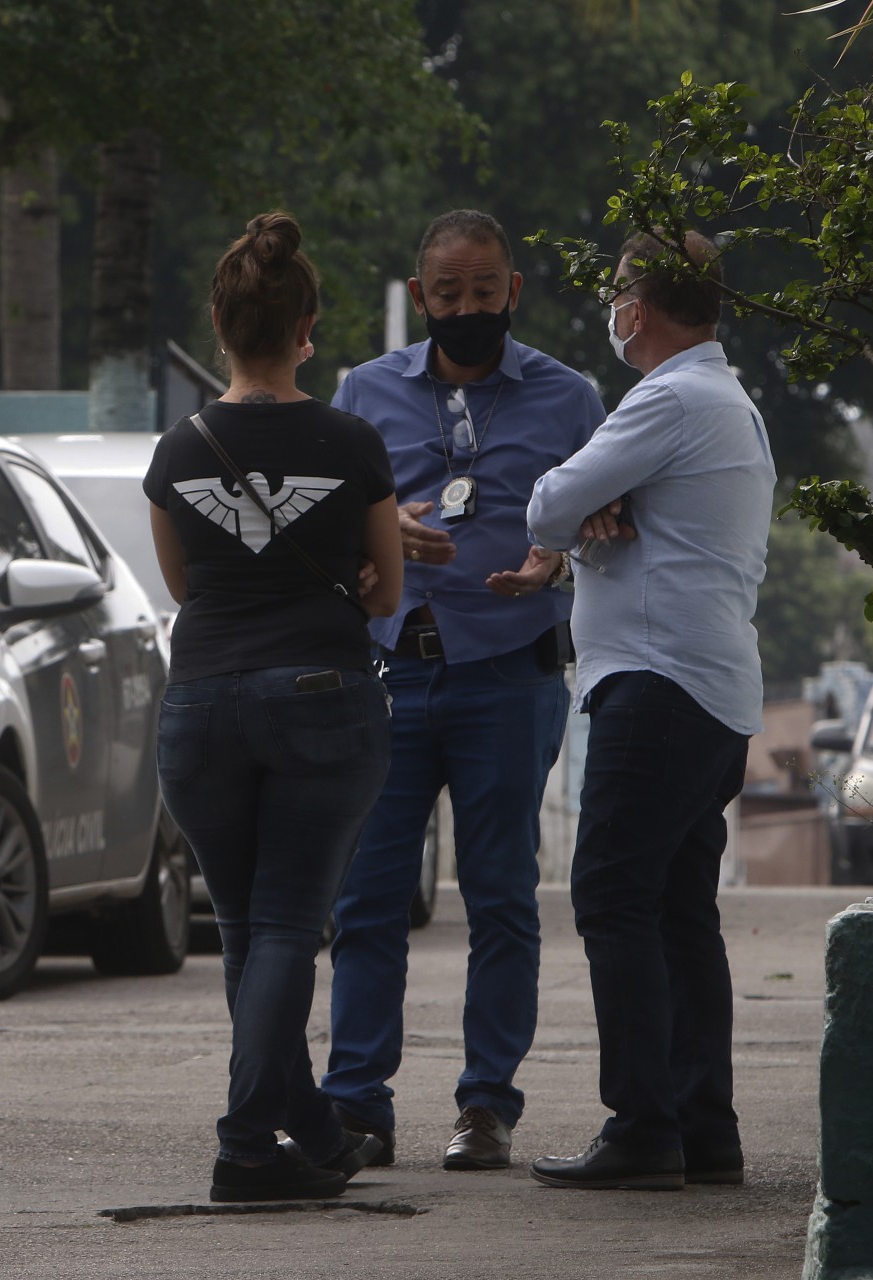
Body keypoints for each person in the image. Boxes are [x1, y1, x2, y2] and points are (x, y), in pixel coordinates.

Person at [321, 209, 604, 1171]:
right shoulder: (362, 391)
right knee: (367, 900)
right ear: (420, 298)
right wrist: (381, 529)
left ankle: (487, 1105)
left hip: (508, 674)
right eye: (449, 294)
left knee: (502, 900)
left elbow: (606, 528)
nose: (467, 308)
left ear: (513, 293)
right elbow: (322, 527)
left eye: (485, 292)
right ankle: (356, 1102)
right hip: (393, 671)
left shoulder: (571, 400)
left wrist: (553, 564)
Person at [144, 211, 403, 1203]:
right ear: (308, 328)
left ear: (220, 323)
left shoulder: (177, 450)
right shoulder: (350, 441)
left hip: (202, 700)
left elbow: (184, 588)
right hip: (321, 698)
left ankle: (317, 1137)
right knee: (291, 923)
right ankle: (250, 1141)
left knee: (252, 933)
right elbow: (383, 591)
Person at [525, 229, 773, 1190]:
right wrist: (601, 514)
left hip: (657, 685)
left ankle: (641, 1127)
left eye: (620, 291)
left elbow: (548, 503)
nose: (612, 309)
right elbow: (589, 516)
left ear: (647, 305)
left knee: (612, 898)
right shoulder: (729, 402)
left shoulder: (668, 397)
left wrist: (584, 508)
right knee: (676, 912)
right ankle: (703, 1126)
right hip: (709, 689)